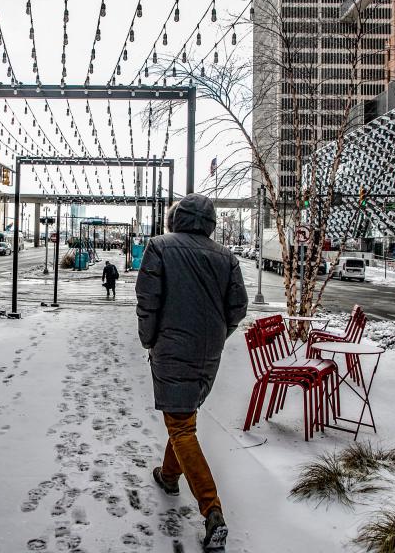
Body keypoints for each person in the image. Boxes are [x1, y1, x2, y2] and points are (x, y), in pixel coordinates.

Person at [135, 194, 248, 551]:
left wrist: (150, 339)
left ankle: (212, 510)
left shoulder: (159, 247)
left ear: (176, 218)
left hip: (171, 348)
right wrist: (216, 335)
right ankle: (169, 476)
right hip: (207, 352)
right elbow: (238, 307)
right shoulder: (226, 257)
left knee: (181, 425)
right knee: (183, 419)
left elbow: (147, 299)